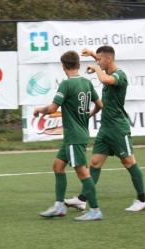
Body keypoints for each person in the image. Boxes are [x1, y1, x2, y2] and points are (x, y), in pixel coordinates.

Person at [64, 46, 145, 212]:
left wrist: (96, 68)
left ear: (109, 59)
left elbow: (105, 79)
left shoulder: (119, 75)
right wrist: (92, 55)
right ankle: (82, 199)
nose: (98, 61)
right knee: (95, 163)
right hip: (105, 129)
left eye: (100, 59)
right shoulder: (107, 67)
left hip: (118, 128)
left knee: (129, 162)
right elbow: (102, 62)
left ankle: (142, 199)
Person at [35, 50, 103, 221]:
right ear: (78, 65)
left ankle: (95, 210)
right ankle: (59, 206)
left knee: (83, 173)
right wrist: (89, 114)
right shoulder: (86, 83)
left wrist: (39, 110)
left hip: (74, 136)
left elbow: (52, 109)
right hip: (76, 135)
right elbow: (100, 104)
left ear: (63, 66)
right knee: (58, 166)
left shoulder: (66, 84)